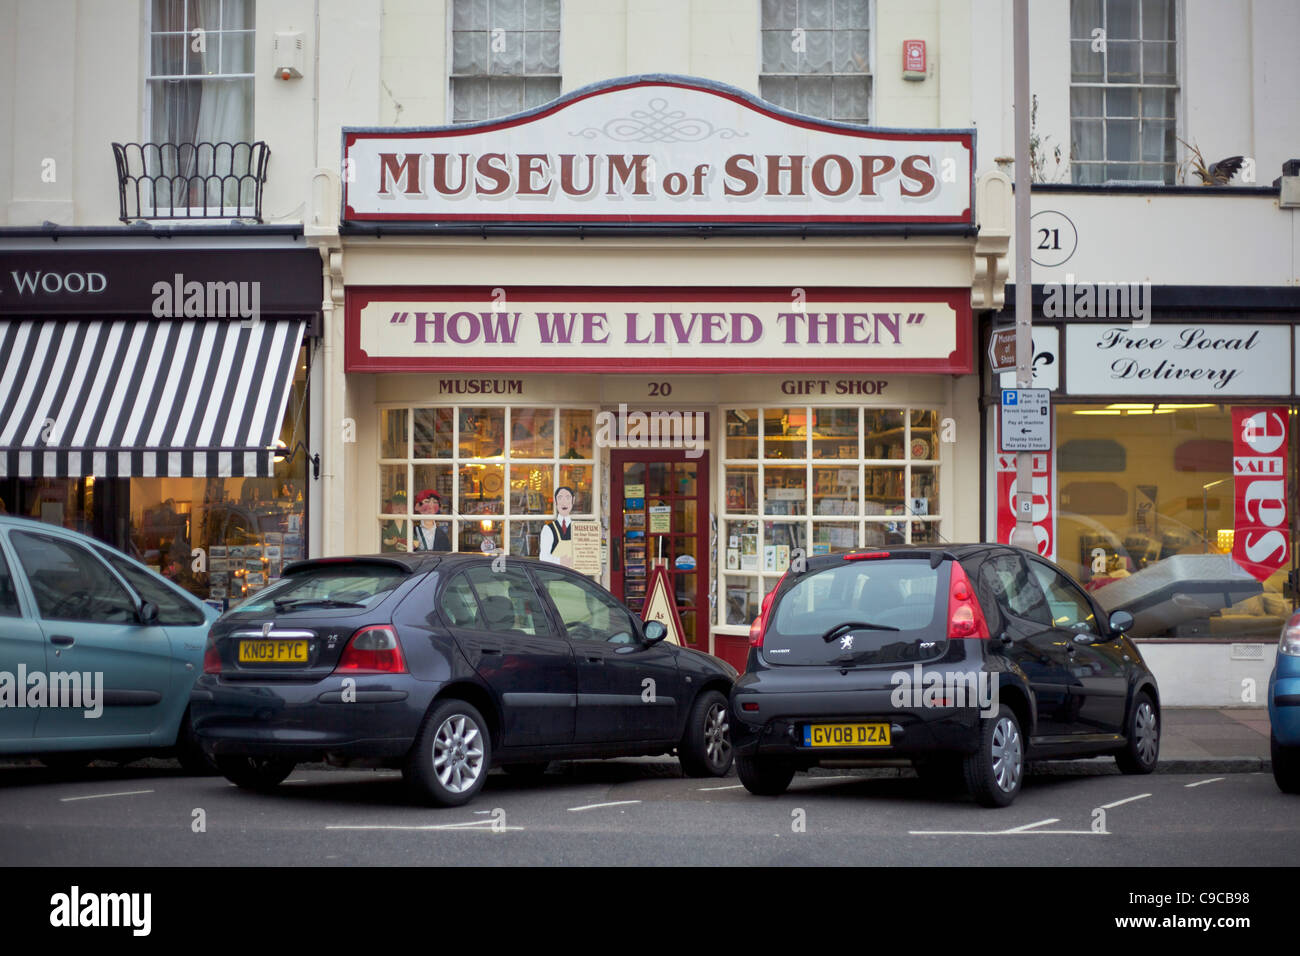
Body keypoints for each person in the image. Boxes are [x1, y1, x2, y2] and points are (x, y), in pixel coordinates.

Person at [539, 486, 576, 567]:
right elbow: (543, 557)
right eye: (560, 498)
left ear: (573, 500)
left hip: (575, 577)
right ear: (555, 502)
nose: (564, 502)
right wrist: (559, 561)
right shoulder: (548, 529)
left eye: (567, 497)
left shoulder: (578, 528)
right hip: (555, 577)